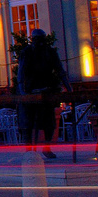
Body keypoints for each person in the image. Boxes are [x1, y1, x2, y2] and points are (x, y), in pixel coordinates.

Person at [18, 29, 65, 159]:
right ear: (33, 40)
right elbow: (21, 73)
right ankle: (29, 150)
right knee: (28, 122)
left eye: (42, 40)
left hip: (45, 90)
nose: (40, 43)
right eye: (37, 39)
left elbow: (60, 70)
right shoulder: (26, 52)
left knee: (49, 122)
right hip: (30, 90)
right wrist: (23, 92)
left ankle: (47, 148)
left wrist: (68, 87)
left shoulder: (50, 52)